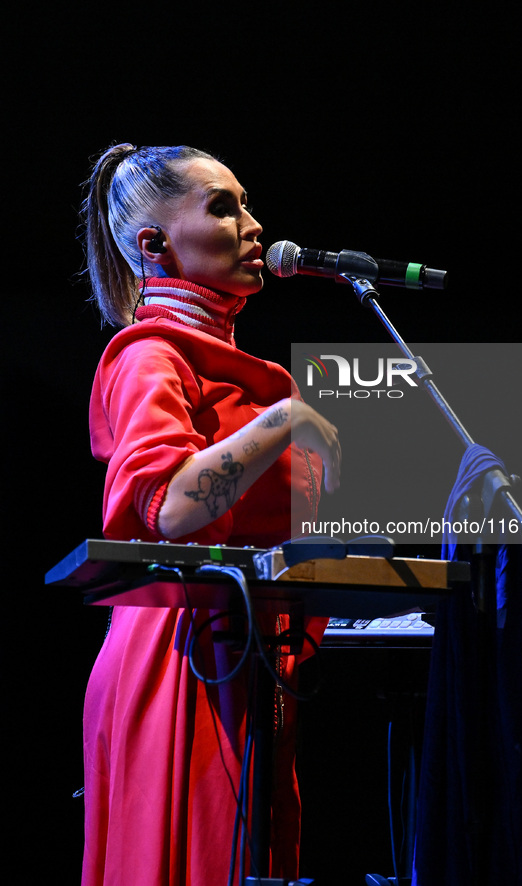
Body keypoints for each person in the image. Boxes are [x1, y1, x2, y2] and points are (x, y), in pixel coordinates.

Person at [79, 143, 341, 886]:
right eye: (223, 207)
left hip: (246, 653)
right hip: (181, 654)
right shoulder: (148, 357)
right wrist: (283, 420)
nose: (253, 225)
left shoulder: (228, 363)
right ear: (153, 245)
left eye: (247, 203)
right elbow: (169, 510)